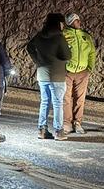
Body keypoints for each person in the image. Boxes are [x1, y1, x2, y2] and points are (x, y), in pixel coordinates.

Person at [26, 13, 71, 141]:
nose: (63, 26)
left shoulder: (39, 35)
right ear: (58, 23)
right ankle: (58, 131)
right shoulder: (59, 37)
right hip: (57, 75)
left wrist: (38, 61)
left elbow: (29, 47)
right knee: (57, 103)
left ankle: (42, 130)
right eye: (62, 23)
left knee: (45, 102)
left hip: (42, 74)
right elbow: (67, 56)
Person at [62, 12, 96, 134]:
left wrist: (89, 68)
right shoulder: (64, 35)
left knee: (80, 99)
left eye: (79, 20)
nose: (79, 22)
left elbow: (92, 52)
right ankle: (66, 123)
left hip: (82, 72)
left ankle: (77, 122)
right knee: (66, 98)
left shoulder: (86, 36)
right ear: (70, 22)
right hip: (67, 72)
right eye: (76, 20)